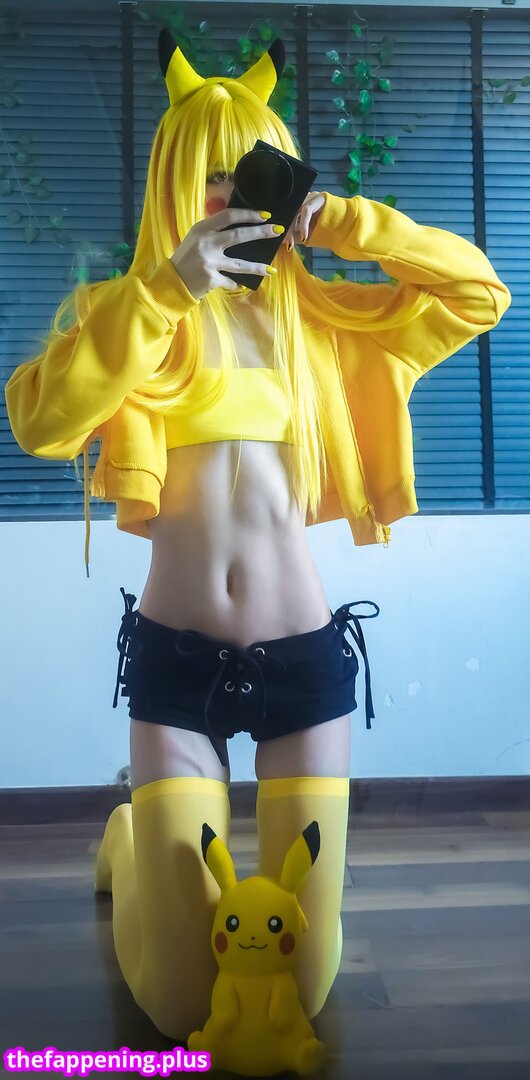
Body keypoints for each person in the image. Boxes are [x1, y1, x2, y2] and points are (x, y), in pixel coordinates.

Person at [4, 27, 511, 1044]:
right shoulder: (127, 316)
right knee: (177, 1002)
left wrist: (347, 223)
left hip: (302, 660)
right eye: (210, 182)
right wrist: (169, 288)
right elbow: (42, 424)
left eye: (254, 180)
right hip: (176, 663)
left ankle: (148, 840)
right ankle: (129, 839)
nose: (232, 202)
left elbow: (478, 294)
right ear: (173, 187)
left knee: (303, 982)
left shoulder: (326, 328)